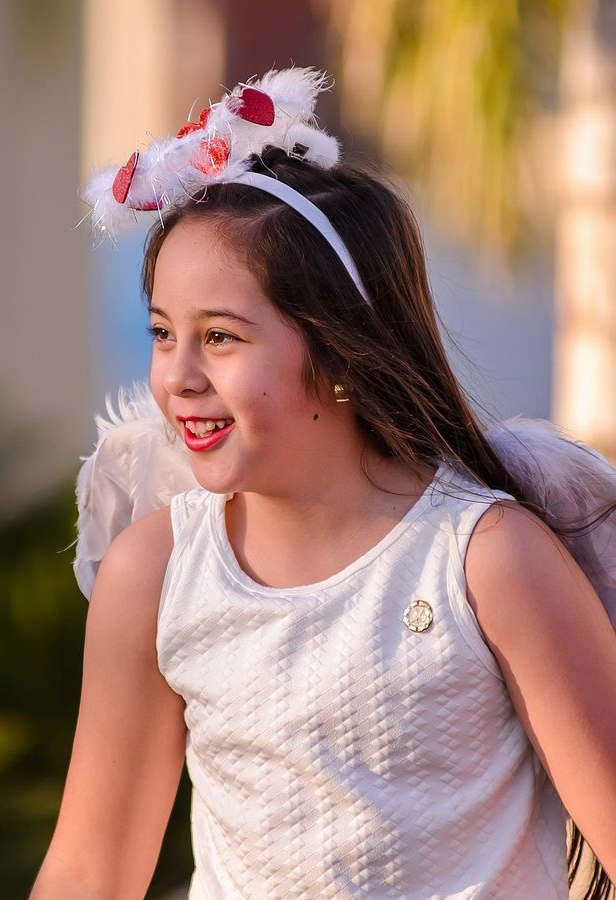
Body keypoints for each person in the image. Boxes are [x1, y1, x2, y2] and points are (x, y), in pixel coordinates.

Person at [31, 68, 616, 899]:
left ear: (340, 348)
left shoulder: (486, 559)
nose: (179, 376)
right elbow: (89, 869)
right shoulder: (153, 570)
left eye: (221, 337)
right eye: (162, 333)